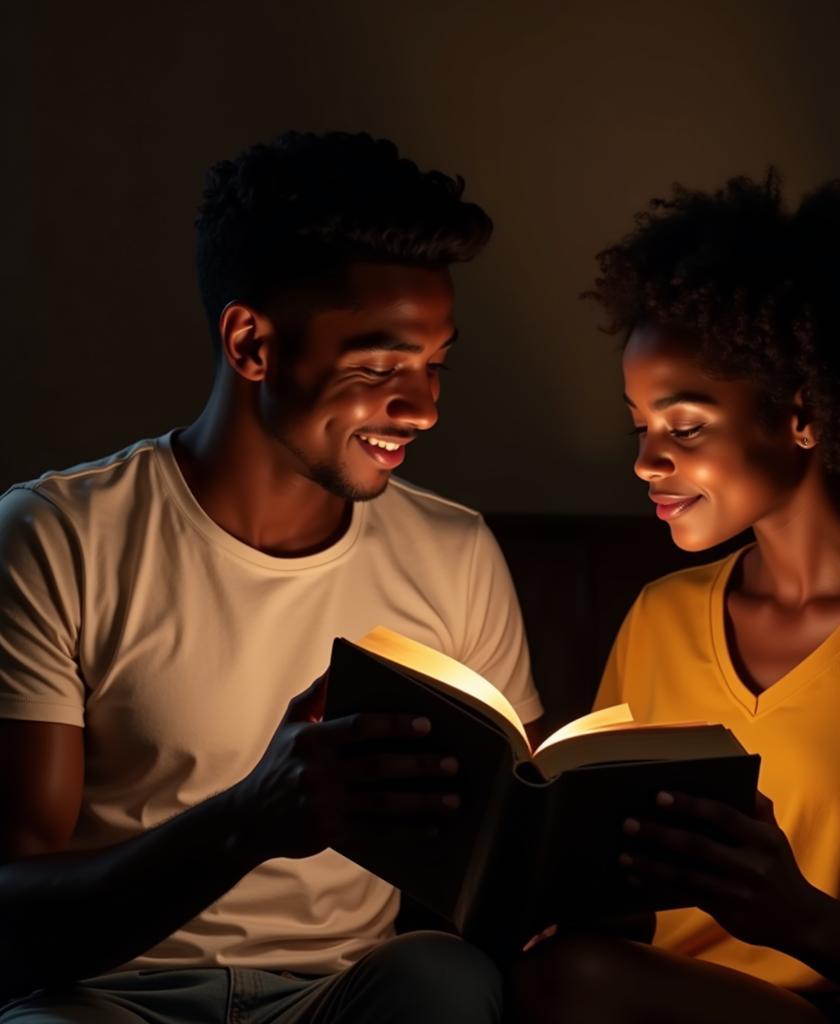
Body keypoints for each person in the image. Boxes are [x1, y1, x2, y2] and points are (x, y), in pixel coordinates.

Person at [0, 131, 544, 1023]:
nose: (424, 407)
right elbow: (16, 917)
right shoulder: (58, 536)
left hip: (340, 996)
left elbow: (517, 835)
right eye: (380, 366)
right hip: (107, 997)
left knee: (442, 983)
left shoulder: (453, 550)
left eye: (436, 364)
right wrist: (250, 819)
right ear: (252, 343)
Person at [510, 173, 840, 1021]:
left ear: (805, 415)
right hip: (642, 1002)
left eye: (685, 426)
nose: (645, 461)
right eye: (638, 425)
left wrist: (797, 919)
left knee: (574, 984)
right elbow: (622, 907)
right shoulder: (662, 614)